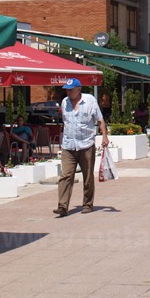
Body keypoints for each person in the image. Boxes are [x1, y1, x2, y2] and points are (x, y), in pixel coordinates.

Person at [54, 78, 108, 217]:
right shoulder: (65, 102)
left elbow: (100, 119)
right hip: (68, 145)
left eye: (71, 89)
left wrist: (104, 136)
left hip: (86, 144)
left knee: (88, 176)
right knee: (65, 175)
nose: (68, 92)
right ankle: (62, 206)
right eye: (66, 89)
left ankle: (88, 204)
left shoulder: (90, 100)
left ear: (79, 89)